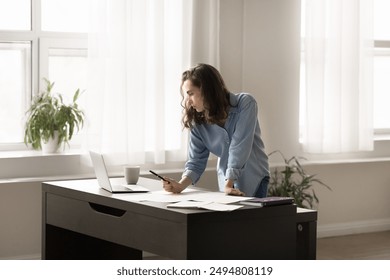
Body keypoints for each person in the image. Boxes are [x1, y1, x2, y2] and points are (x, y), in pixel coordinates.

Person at [162, 63, 269, 197]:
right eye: (185, 95)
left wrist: (229, 183)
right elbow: (196, 161)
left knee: (252, 218)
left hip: (254, 178)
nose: (187, 101)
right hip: (226, 183)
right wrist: (180, 186)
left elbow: (239, 146)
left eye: (191, 94)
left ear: (207, 90)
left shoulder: (245, 104)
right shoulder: (198, 122)